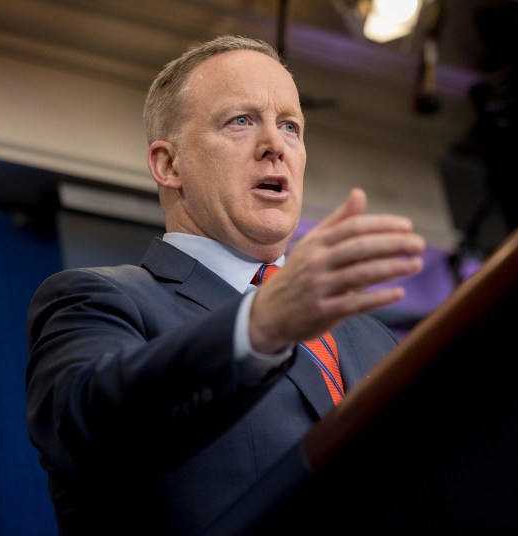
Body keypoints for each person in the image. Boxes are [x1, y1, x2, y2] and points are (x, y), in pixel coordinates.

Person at [25, 34, 425, 535]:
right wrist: (258, 328)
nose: (274, 146)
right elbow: (88, 430)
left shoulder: (370, 336)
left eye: (290, 126)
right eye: (241, 121)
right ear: (168, 165)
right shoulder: (97, 298)